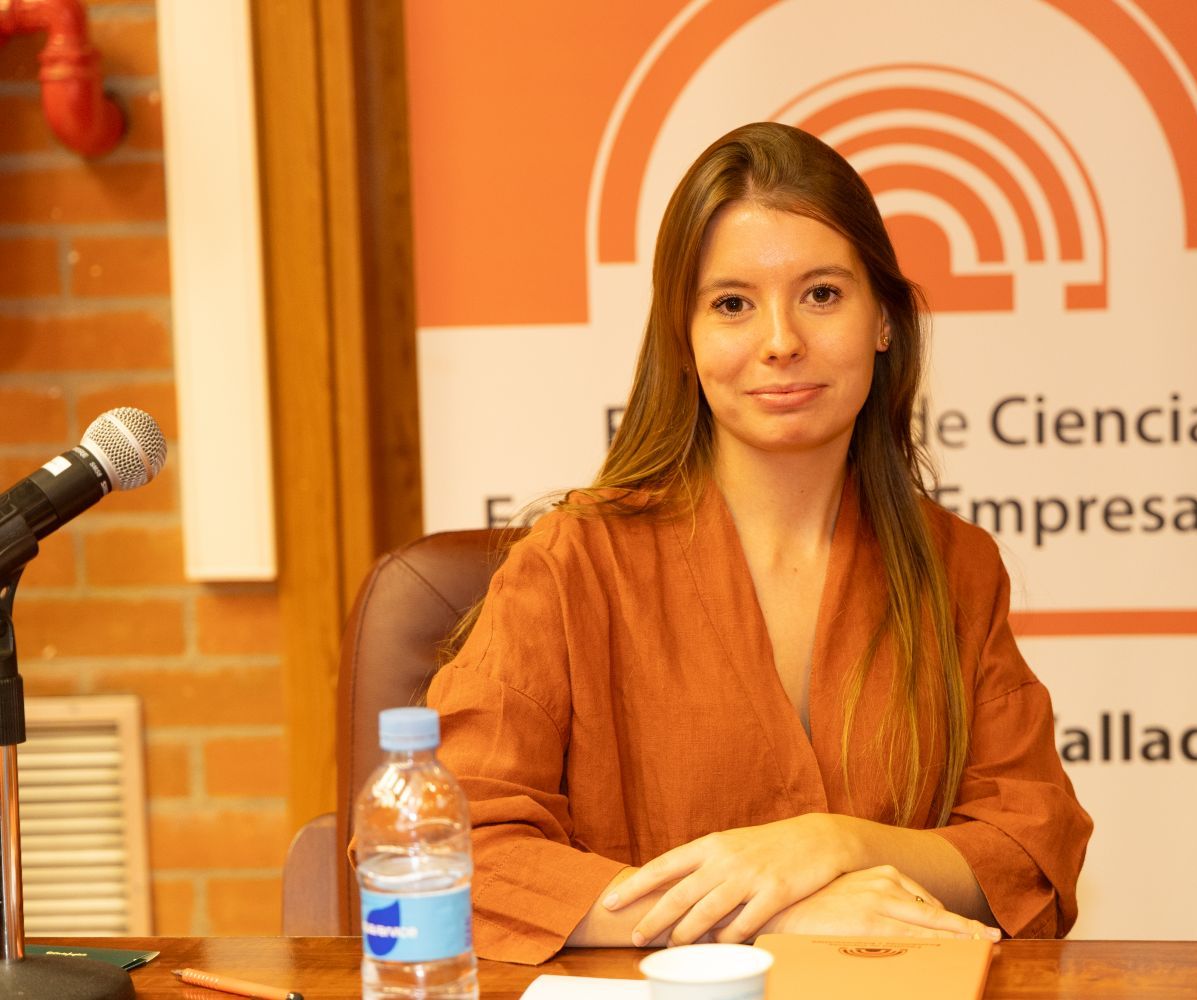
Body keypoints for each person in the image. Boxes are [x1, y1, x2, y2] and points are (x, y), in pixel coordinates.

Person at [426, 122, 1092, 965]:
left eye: (822, 294)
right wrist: (766, 918)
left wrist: (835, 844)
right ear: (684, 339)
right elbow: (446, 847)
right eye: (733, 304)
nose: (781, 341)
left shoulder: (956, 565)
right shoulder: (573, 563)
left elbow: (1032, 844)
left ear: (885, 321)